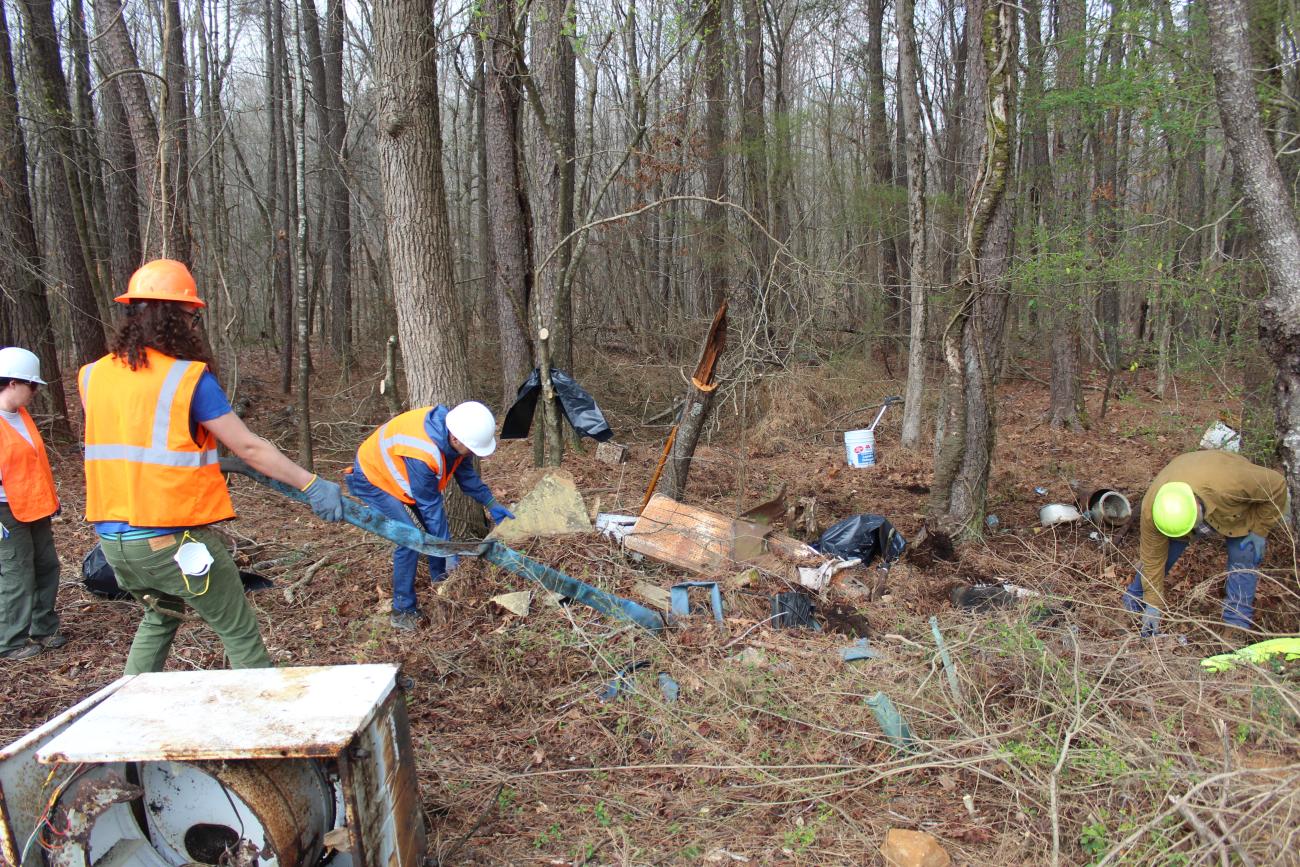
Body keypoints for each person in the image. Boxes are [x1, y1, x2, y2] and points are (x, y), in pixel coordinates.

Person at [80, 259, 344, 674]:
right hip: (169, 540)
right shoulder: (186, 379)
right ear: (173, 318)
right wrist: (311, 484)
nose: (194, 326)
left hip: (114, 544)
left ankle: (128, 701)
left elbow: (139, 447)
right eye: (192, 316)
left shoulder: (92, 376)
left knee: (160, 617)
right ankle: (263, 711)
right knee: (237, 629)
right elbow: (249, 447)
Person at [348, 401, 514, 630]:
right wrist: (448, 551)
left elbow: (466, 476)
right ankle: (402, 610)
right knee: (408, 539)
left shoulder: (457, 432)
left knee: (432, 531)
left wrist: (491, 502)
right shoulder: (424, 453)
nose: (473, 454)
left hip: (401, 473)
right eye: (471, 449)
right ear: (456, 439)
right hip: (372, 477)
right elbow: (431, 508)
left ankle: (441, 581)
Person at [1123, 450, 1288, 637]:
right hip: (1186, 479)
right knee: (1163, 556)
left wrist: (1260, 531)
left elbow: (1277, 485)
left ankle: (1236, 626)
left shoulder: (1231, 483)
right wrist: (1153, 604)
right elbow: (1152, 560)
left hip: (1234, 512)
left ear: (1198, 508)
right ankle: (1133, 601)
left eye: (1192, 527)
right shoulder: (1151, 512)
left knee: (1242, 560)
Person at [0, 347, 64, 660]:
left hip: (36, 505)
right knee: (17, 573)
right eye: (32, 385)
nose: (35, 392)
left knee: (46, 566)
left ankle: (44, 628)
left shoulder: (21, 416)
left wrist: (51, 497)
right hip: (5, 510)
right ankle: (10, 642)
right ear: (12, 383)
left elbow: (33, 464)